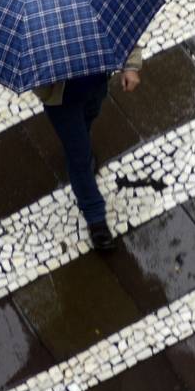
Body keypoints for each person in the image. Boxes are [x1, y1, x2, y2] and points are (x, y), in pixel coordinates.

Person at [34, 46, 143, 251]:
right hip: (63, 103)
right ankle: (95, 218)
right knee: (79, 158)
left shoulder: (88, 13)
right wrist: (48, 88)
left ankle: (79, 143)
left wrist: (130, 65)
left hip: (96, 84)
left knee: (87, 123)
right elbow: (33, 74)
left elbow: (118, 27)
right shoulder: (35, 29)